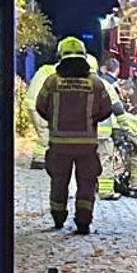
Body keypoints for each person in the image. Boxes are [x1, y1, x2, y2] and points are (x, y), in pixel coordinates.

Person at [35, 36, 113, 232]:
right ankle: (83, 222)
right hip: (86, 146)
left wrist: (55, 121)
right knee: (86, 183)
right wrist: (90, 121)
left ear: (60, 56)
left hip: (59, 144)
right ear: (84, 56)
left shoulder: (52, 82)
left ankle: (58, 218)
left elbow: (40, 106)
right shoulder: (95, 83)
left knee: (58, 182)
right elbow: (106, 109)